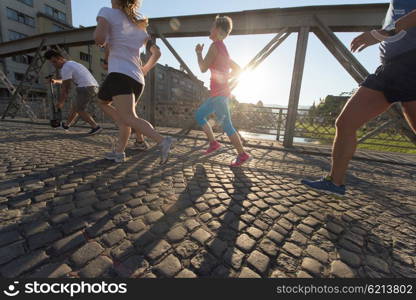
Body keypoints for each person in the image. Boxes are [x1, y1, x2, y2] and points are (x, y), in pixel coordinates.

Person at [302, 0, 416, 195]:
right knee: (345, 123)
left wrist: (380, 33)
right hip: (388, 70)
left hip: (411, 63)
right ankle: (335, 182)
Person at [94, 0, 174, 163]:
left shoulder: (106, 12)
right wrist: (144, 69)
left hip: (119, 74)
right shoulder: (139, 25)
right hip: (137, 79)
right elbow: (157, 53)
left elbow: (99, 38)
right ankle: (118, 152)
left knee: (114, 109)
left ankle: (162, 140)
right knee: (127, 115)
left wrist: (101, 37)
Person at [195, 16, 251, 167]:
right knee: (199, 115)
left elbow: (202, 68)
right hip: (218, 95)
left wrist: (198, 53)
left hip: (219, 96)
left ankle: (243, 154)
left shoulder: (214, 46)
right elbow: (238, 69)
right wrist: (227, 77)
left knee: (227, 125)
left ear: (218, 30)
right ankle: (213, 143)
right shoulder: (224, 49)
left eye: (212, 26)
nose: (209, 29)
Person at [44, 50, 102, 135]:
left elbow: (66, 88)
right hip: (93, 86)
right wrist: (55, 81)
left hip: (85, 87)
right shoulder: (71, 63)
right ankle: (66, 125)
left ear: (60, 59)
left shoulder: (65, 68)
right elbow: (66, 81)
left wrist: (61, 102)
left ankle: (96, 127)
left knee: (79, 109)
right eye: (52, 63)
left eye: (55, 62)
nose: (54, 65)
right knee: (75, 107)